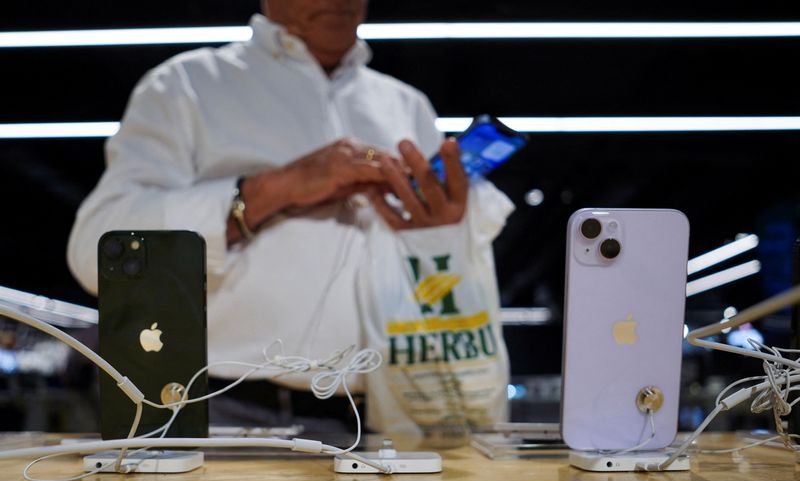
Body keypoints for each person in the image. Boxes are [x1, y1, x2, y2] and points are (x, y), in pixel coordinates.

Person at [67, 0, 512, 433]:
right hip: (224, 412)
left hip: (383, 414)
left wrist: (444, 229)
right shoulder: (185, 85)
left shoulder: (407, 105)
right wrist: (274, 189)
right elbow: (96, 252)